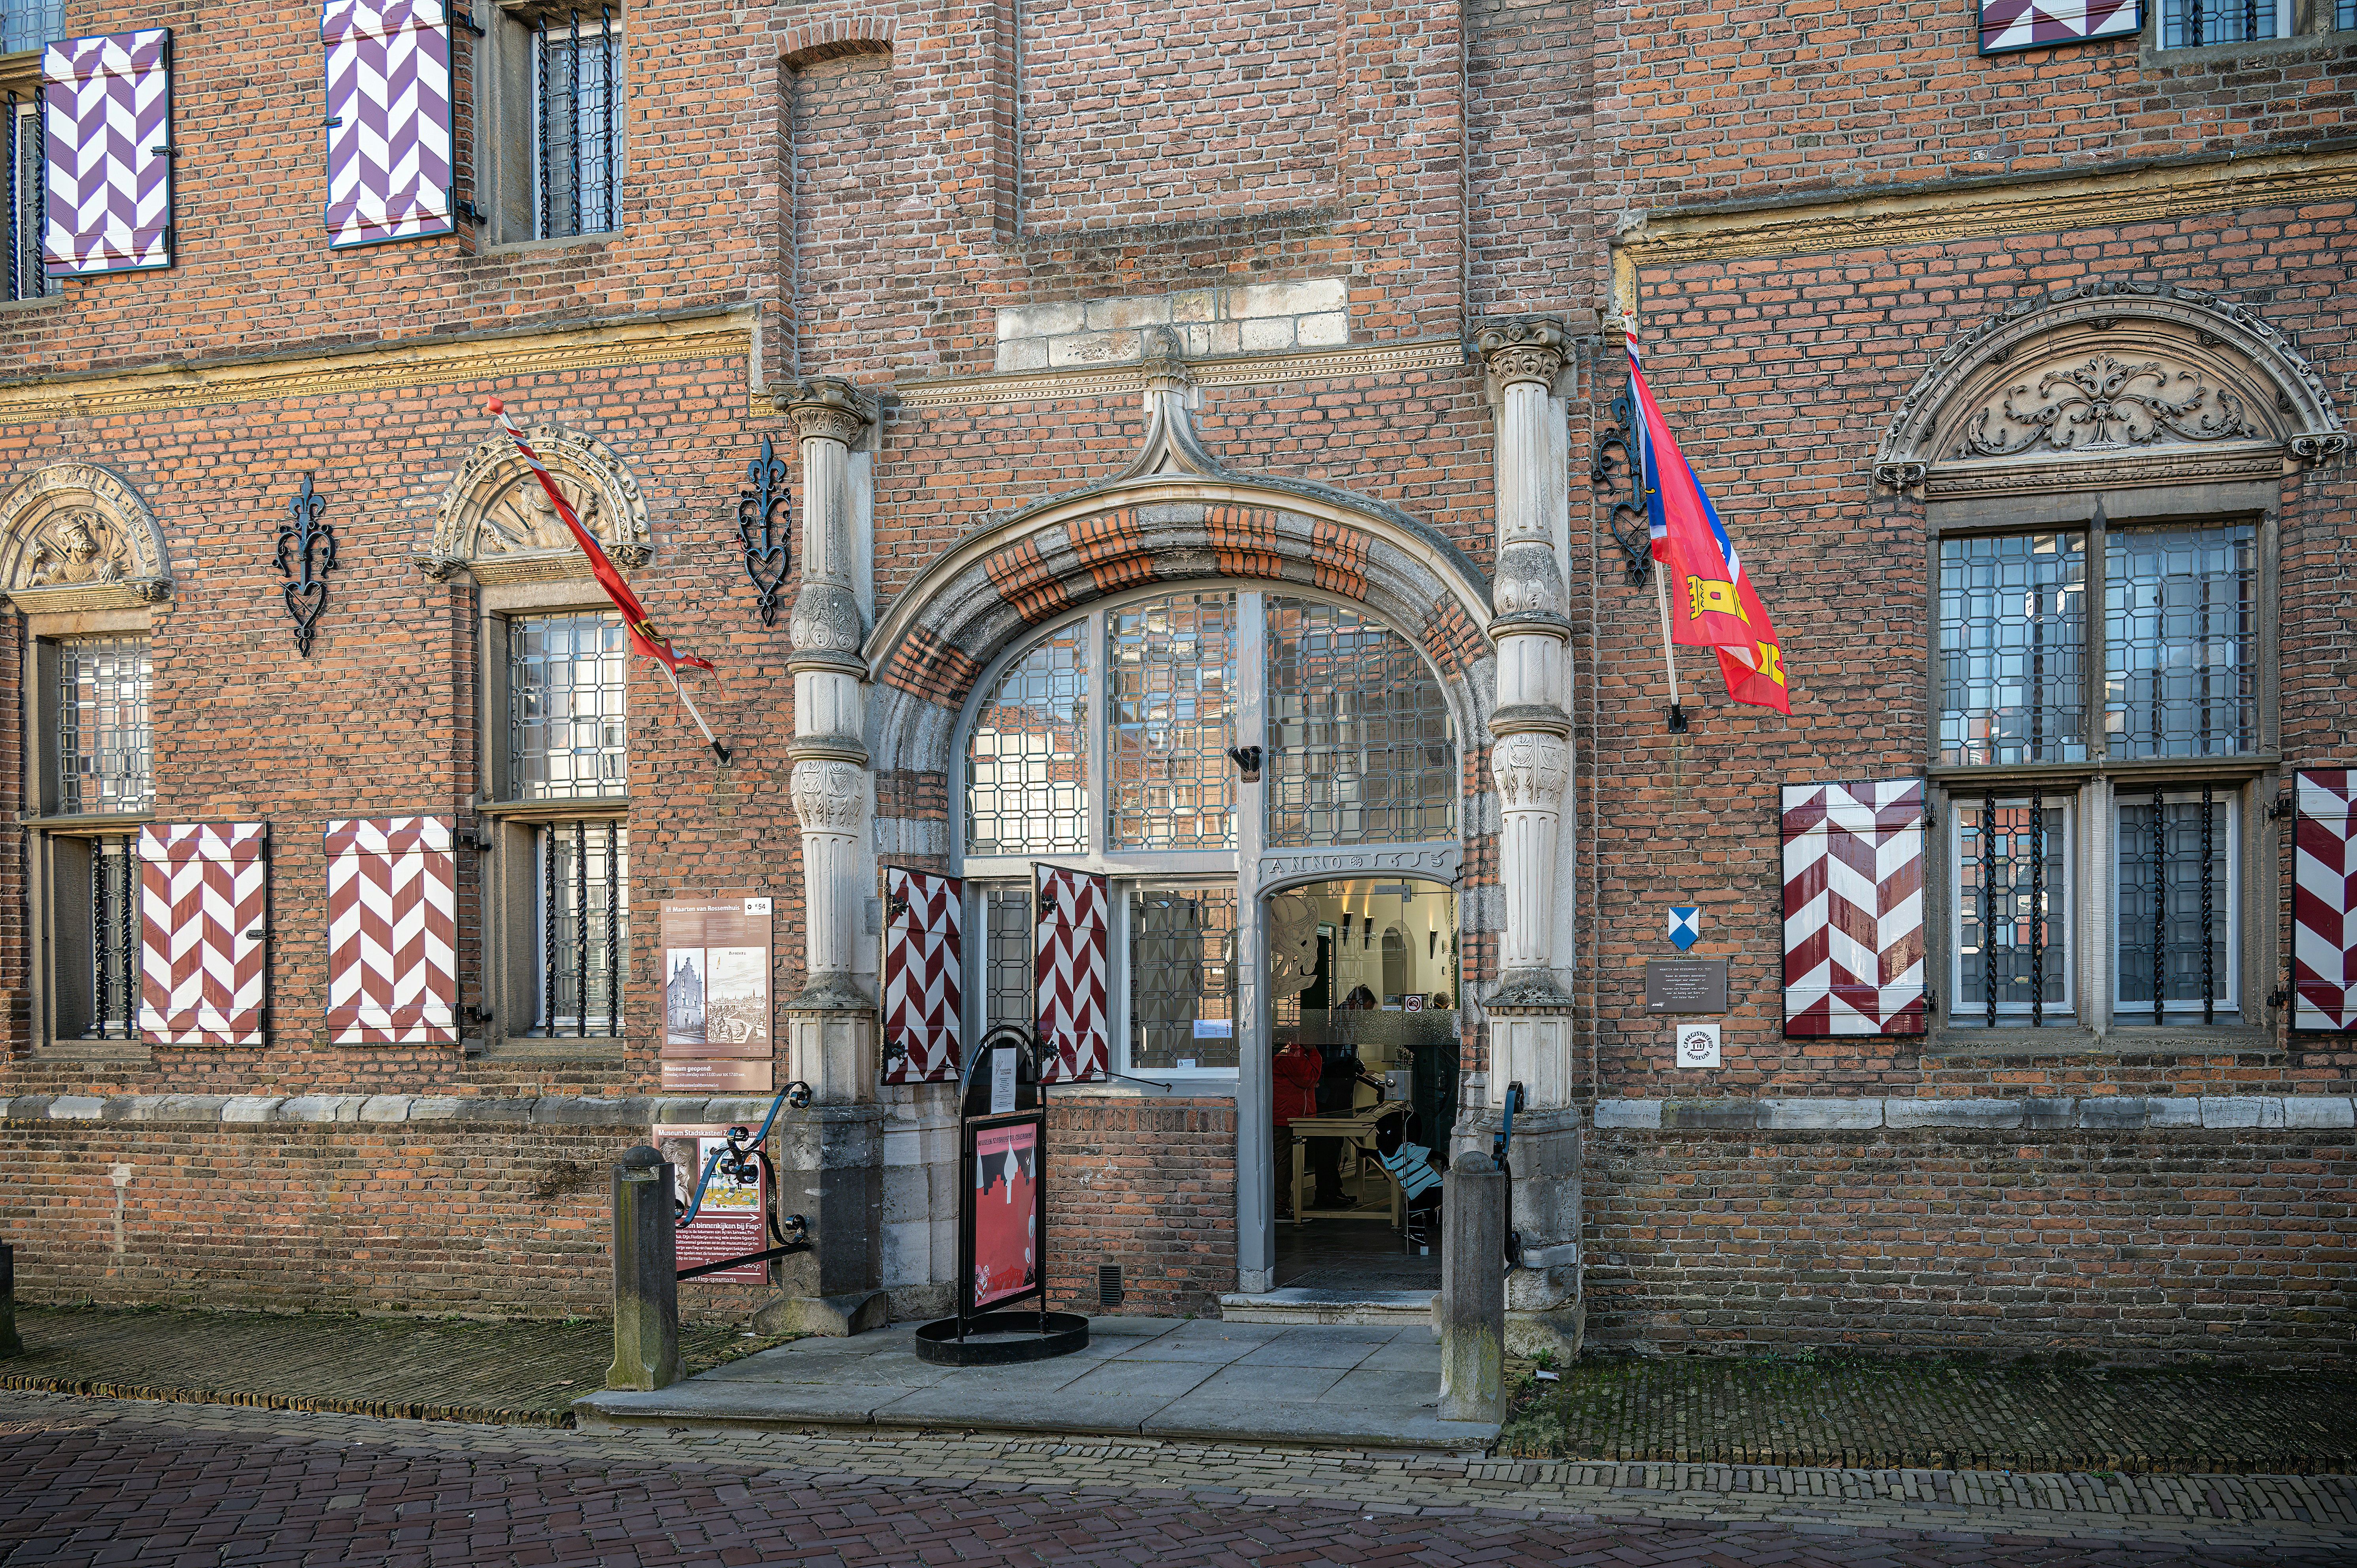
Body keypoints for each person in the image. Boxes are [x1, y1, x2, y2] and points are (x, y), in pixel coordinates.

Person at [1272, 1033, 1322, 1220]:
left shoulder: (1292, 1051)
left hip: (1288, 1115)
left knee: (1285, 1162)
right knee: (1284, 1164)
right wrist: (1314, 1052)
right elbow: (1309, 1077)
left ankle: (1281, 1206)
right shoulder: (1292, 1053)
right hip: (1286, 1116)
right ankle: (1279, 1208)